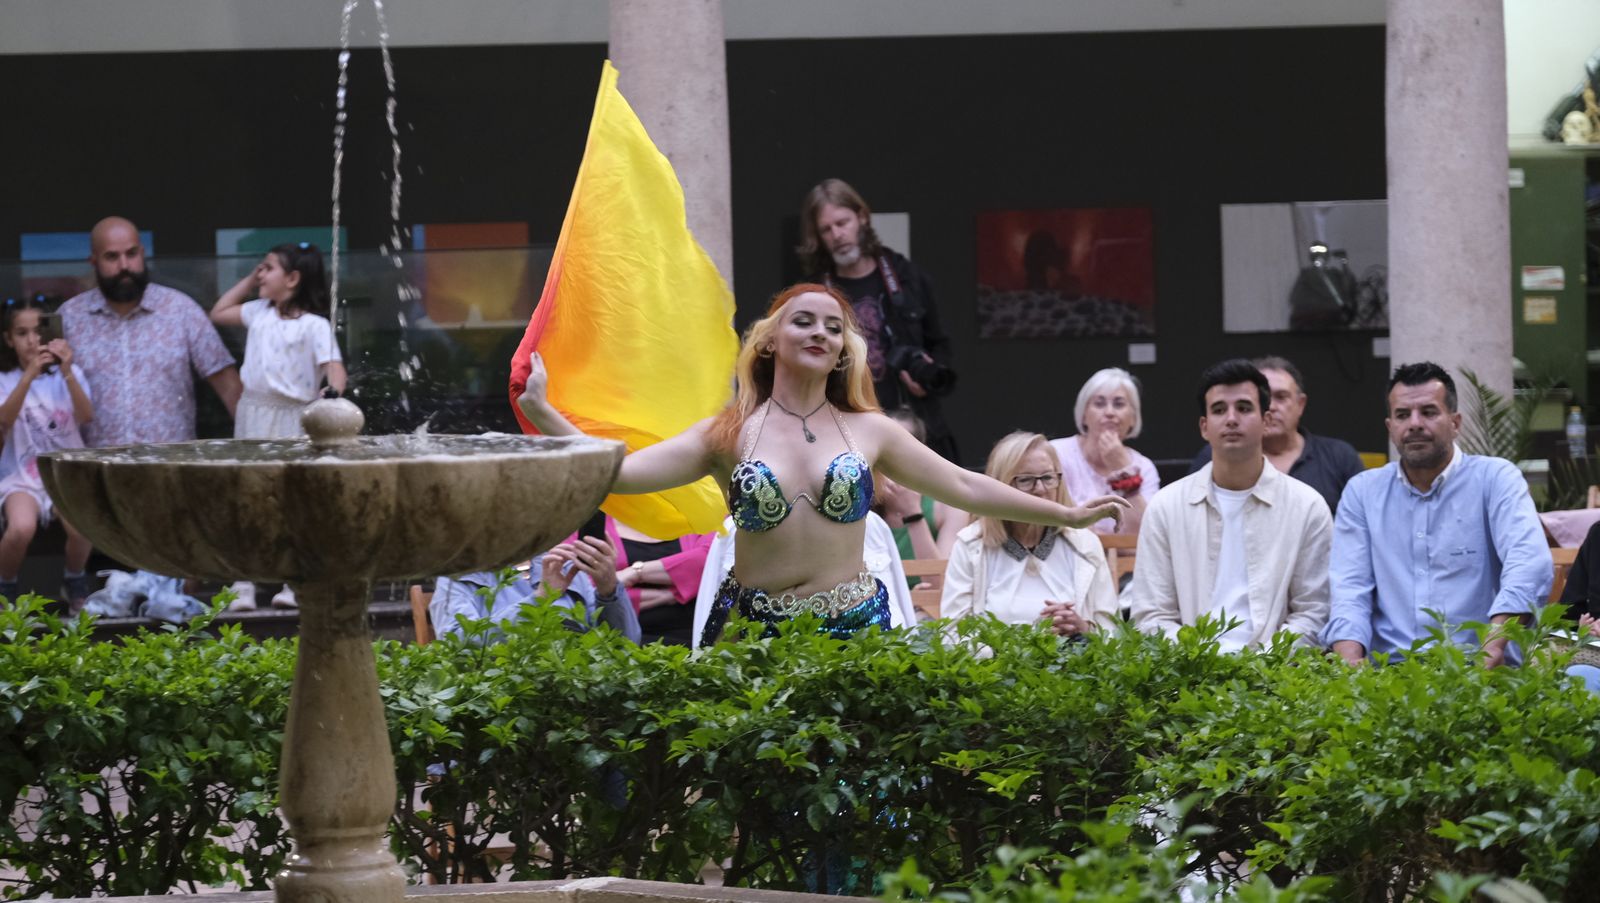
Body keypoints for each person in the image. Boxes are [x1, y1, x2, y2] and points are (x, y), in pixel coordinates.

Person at [515, 283, 1127, 648]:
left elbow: (966, 484)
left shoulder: (870, 430)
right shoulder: (726, 433)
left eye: (833, 328)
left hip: (858, 631)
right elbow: (618, 471)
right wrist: (542, 410)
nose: (819, 333)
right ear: (770, 340)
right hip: (761, 637)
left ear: (841, 351)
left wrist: (1066, 512)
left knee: (865, 815)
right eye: (802, 321)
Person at [1322, 362, 1551, 667]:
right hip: (1388, 676)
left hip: (1480, 671)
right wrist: (1349, 663)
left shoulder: (1495, 479)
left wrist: (1493, 648)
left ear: (1455, 423)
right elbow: (1350, 588)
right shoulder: (1362, 492)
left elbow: (1529, 565)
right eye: (1403, 415)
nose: (1415, 424)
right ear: (1390, 428)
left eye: (1429, 412)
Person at [1127, 360, 1332, 651]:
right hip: (1190, 675)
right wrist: (1202, 656)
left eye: (1245, 408)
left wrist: (1263, 658)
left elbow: (1314, 612)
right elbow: (1151, 615)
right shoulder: (1166, 507)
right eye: (1219, 410)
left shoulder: (1307, 506)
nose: (1232, 419)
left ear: (1266, 420)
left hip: (1278, 674)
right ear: (1204, 426)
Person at [210, 242, 346, 611]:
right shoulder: (258, 312)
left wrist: (331, 392)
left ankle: (292, 582)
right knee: (246, 496)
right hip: (253, 412)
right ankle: (242, 584)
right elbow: (219, 311)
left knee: (291, 500)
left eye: (267, 268)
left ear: (293, 279)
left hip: (293, 416)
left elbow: (334, 367)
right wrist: (248, 279)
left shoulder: (314, 326)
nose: (261, 275)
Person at [798, 179, 960, 462]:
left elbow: (940, 343)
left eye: (842, 222)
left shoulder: (907, 278)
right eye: (827, 229)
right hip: (846, 429)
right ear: (818, 237)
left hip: (914, 423)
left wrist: (928, 374)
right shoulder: (814, 295)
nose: (837, 234)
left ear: (861, 217)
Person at [60, 217, 241, 447]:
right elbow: (43, 399)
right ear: (93, 261)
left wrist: (253, 457)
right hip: (93, 472)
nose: (124, 265)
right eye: (112, 257)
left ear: (143, 254)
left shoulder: (181, 310)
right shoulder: (70, 317)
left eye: (132, 254)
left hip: (170, 471)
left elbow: (230, 389)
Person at [940, 432, 1119, 638]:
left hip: (1075, 666)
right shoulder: (970, 544)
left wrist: (1083, 629)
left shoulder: (1085, 543)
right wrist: (1027, 638)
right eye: (1025, 480)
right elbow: (952, 635)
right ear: (999, 486)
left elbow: (1114, 634)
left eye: (1048, 478)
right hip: (996, 668)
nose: (1040, 489)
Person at [0, 298, 95, 609]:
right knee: (21, 528)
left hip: (64, 473)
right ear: (8, 339)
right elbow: (4, 420)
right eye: (21, 333)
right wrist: (29, 374)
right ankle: (7, 585)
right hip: (22, 476)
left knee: (82, 525)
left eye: (38, 331)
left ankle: (74, 578)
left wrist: (66, 369)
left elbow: (86, 415)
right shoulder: (5, 380)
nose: (31, 340)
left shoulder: (70, 374)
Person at [1188, 355, 1365, 514]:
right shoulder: (1215, 455)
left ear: (1300, 404)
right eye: (1264, 400)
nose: (1271, 406)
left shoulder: (1338, 456)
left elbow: (1362, 521)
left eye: (1281, 397)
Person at [430, 534, 640, 644]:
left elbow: (626, 646)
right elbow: (458, 646)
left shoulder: (564, 565)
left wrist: (608, 589)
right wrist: (540, 598)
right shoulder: (457, 576)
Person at [1050, 367, 1160, 535]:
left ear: (1133, 418)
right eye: (1099, 404)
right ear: (1084, 415)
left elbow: (1145, 536)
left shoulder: (1144, 467)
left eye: (1119, 404)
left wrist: (1124, 472)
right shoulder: (1054, 454)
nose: (1109, 412)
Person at [601, 515, 716, 646]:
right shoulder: (591, 521)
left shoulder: (705, 511)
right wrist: (680, 591)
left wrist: (634, 573)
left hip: (698, 643)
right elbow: (590, 590)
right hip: (626, 647)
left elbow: (710, 559)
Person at [878, 407, 968, 562]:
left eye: (898, 445)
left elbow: (941, 580)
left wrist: (912, 513)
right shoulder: (860, 501)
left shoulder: (949, 507)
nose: (890, 455)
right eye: (883, 445)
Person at [1556, 520, 1600, 693]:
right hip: (1594, 653)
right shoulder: (1598, 535)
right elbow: (1569, 611)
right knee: (1579, 677)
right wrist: (1583, 627)